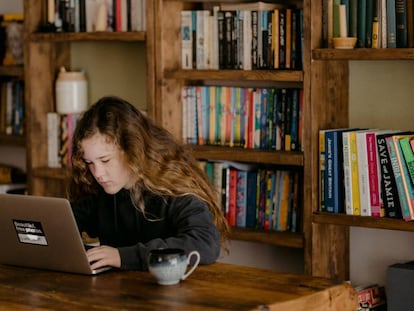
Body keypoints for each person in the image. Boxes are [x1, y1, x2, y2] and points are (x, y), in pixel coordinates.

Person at [69, 96, 230, 271]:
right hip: (118, 291)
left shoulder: (173, 186)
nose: (98, 173)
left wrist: (122, 257)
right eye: (89, 162)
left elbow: (205, 242)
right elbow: (67, 224)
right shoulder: (97, 189)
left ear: (133, 150)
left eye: (105, 160)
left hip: (172, 293)